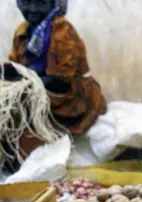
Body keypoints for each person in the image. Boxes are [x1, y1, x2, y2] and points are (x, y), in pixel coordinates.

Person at [6, 0, 106, 137]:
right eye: (26, 2)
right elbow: (16, 66)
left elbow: (61, 82)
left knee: (23, 132)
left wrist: (25, 83)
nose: (33, 9)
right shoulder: (22, 31)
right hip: (37, 92)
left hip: (69, 100)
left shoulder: (63, 32)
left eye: (41, 3)